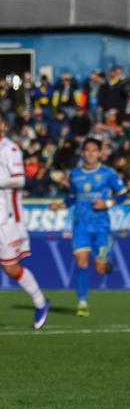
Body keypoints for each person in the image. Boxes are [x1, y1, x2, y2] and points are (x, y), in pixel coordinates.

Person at [49, 138, 128, 316]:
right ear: (82, 153)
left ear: (100, 153)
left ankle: (105, 263)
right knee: (81, 261)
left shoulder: (108, 174)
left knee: (100, 269)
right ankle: (82, 302)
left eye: (94, 150)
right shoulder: (75, 174)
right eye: (87, 150)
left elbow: (123, 195)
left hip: (102, 226)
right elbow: (71, 198)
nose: (90, 154)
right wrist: (59, 205)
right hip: (80, 225)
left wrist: (107, 203)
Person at [0, 119, 50, 329]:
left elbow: (19, 180)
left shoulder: (9, 148)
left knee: (10, 267)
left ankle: (40, 302)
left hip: (7, 217)